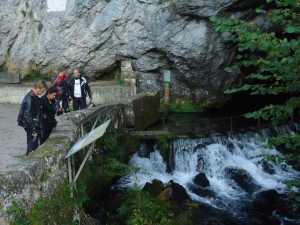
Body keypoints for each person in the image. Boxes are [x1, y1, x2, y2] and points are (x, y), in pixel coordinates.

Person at [17, 80, 48, 156]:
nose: (43, 92)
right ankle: (29, 158)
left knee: (33, 143)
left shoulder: (34, 96)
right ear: (38, 88)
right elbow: (28, 115)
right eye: (43, 90)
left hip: (33, 123)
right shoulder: (30, 98)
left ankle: (30, 156)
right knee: (32, 144)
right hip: (31, 124)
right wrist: (33, 129)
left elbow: (35, 111)